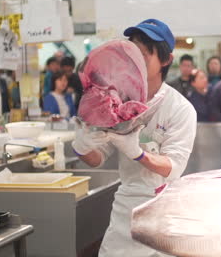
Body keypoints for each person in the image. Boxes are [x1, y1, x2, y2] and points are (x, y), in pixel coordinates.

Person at [71, 18, 197, 256]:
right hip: (125, 209)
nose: (135, 62)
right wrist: (82, 144)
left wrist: (137, 153)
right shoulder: (116, 99)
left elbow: (173, 167)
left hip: (162, 212)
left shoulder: (180, 108)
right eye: (132, 54)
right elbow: (97, 158)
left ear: (166, 60)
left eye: (144, 54)